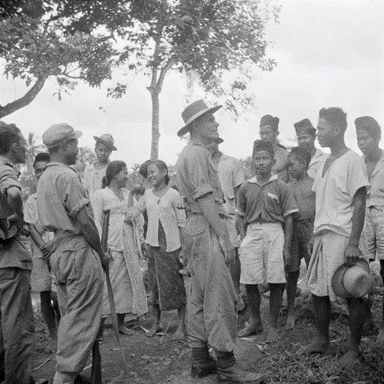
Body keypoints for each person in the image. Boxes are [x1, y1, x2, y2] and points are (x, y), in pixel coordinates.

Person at [175, 99, 264, 383]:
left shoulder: (186, 154)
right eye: (210, 120)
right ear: (198, 125)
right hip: (205, 224)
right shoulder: (198, 154)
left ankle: (200, 360)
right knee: (219, 295)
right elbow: (204, 198)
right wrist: (224, 237)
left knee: (199, 295)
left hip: (193, 225)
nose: (215, 124)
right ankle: (227, 366)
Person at [37, 123, 109, 384]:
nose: (78, 149)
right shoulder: (67, 177)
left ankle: (71, 375)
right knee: (81, 324)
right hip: (77, 249)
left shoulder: (44, 177)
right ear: (64, 146)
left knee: (69, 320)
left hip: (59, 252)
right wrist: (101, 253)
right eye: (74, 144)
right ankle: (64, 378)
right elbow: (86, 222)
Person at [303, 108, 369, 365]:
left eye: (321, 129)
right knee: (318, 291)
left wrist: (353, 242)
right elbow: (323, 202)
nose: (317, 134)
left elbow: (359, 202)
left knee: (352, 290)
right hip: (323, 235)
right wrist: (314, 233)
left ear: (337, 130)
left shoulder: (353, 160)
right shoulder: (324, 162)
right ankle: (322, 340)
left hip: (343, 235)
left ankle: (354, 348)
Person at [237, 140, 298, 342]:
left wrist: (287, 247)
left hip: (275, 231)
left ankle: (272, 325)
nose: (261, 162)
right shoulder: (246, 187)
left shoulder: (282, 186)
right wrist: (244, 237)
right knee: (250, 279)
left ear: (273, 161)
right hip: (252, 231)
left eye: (265, 159)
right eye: (257, 159)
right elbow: (240, 215)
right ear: (253, 162)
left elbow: (289, 217)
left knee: (276, 278)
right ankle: (256, 322)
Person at [127, 160, 187, 339]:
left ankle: (181, 326)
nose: (151, 176)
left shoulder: (174, 195)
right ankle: (155, 323)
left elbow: (182, 223)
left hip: (172, 246)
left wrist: (184, 249)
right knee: (155, 285)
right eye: (149, 173)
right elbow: (132, 214)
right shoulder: (147, 195)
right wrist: (132, 195)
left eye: (154, 172)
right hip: (153, 245)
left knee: (175, 285)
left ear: (164, 172)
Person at [91, 161, 148, 335]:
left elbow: (137, 217)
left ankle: (121, 324)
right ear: (114, 174)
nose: (127, 176)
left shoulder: (126, 193)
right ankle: (98, 328)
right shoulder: (100, 194)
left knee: (127, 284)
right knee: (109, 284)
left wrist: (141, 240)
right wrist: (102, 247)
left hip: (128, 243)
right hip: (111, 244)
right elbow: (96, 222)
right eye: (124, 172)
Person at [0, 122, 35, 384]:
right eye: (23, 144)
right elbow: (13, 192)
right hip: (11, 257)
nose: (25, 148)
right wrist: (19, 218)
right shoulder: (5, 169)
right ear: (13, 146)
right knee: (18, 325)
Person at [24, 152, 61, 354]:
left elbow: (64, 225)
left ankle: (65, 333)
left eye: (45, 169)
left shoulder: (57, 195)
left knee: (59, 293)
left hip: (58, 247)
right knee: (45, 294)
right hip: (40, 251)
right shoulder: (32, 199)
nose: (41, 173)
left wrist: (53, 244)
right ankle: (54, 336)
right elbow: (30, 227)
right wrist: (43, 247)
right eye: (38, 170)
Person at [206, 137, 246, 312]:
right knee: (213, 256)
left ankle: (235, 295)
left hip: (229, 214)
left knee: (233, 256)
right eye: (206, 143)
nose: (209, 146)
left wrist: (239, 214)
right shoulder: (200, 163)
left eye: (212, 142)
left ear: (218, 142)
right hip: (208, 215)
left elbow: (240, 191)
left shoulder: (231, 163)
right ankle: (217, 299)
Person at [355, 116, 384, 343]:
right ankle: (366, 322)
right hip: (364, 221)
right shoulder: (357, 164)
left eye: (364, 138)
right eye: (358, 138)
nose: (361, 142)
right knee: (362, 269)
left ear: (377, 138)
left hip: (383, 220)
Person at [285, 146, 315, 330]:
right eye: (288, 165)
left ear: (303, 164)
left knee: (315, 268)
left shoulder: (315, 183)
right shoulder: (288, 187)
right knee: (292, 271)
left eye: (292, 164)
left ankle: (316, 306)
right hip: (293, 228)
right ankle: (290, 312)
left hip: (310, 229)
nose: (289, 168)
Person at [256, 114, 290, 183]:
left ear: (276, 133)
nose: (264, 136)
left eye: (268, 133)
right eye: (261, 133)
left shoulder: (285, 155)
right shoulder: (256, 155)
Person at [83, 133, 117, 198]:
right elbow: (85, 189)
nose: (103, 153)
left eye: (106, 151)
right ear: (95, 150)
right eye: (100, 150)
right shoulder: (89, 168)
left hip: (107, 205)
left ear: (110, 152)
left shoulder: (113, 169)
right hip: (90, 204)